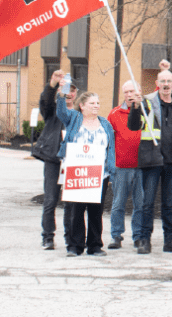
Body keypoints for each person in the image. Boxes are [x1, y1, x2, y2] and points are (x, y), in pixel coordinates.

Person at [128, 69, 172, 253]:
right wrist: (135, 107)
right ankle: (145, 240)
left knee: (169, 204)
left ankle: (170, 241)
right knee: (147, 203)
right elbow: (133, 126)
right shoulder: (146, 102)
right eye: (162, 80)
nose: (165, 84)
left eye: (169, 81)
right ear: (157, 82)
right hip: (151, 161)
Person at [56, 90, 116, 257]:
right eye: (92, 103)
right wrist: (61, 96)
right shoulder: (74, 119)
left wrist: (111, 169)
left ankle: (95, 246)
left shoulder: (105, 124)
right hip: (77, 172)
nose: (96, 106)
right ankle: (75, 246)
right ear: (82, 106)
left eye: (97, 103)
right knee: (76, 210)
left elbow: (111, 148)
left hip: (99, 174)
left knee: (96, 211)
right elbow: (60, 112)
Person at [32, 69, 76, 250]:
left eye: (72, 90)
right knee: (50, 200)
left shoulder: (80, 113)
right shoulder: (53, 111)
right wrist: (52, 85)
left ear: (76, 94)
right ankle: (48, 236)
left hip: (74, 161)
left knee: (71, 201)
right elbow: (45, 103)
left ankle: (70, 236)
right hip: (53, 159)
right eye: (65, 90)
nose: (69, 94)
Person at [107, 80, 145, 252]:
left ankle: (138, 236)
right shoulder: (114, 114)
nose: (129, 95)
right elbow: (108, 142)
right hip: (121, 166)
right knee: (118, 203)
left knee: (140, 204)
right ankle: (116, 235)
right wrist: (110, 165)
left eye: (132, 92)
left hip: (142, 166)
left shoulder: (146, 111)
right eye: (126, 92)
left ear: (139, 92)